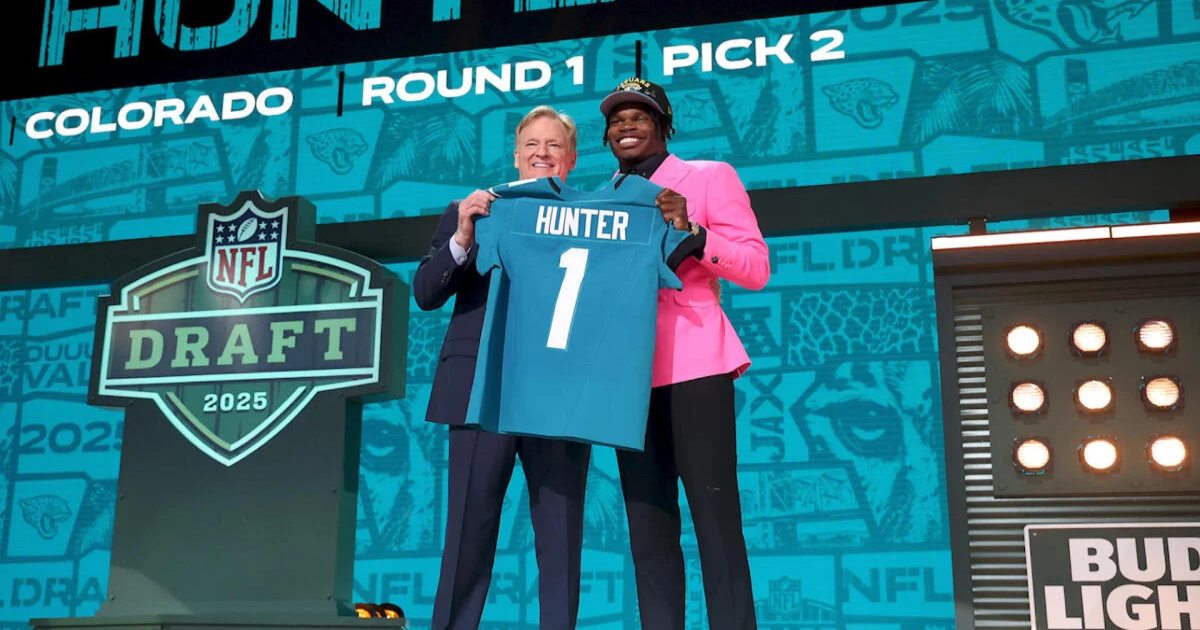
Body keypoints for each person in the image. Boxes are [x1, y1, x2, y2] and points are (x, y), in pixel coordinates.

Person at [600, 77, 770, 630]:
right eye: (617, 119)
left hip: (696, 366)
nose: (626, 125)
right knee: (647, 532)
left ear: (664, 125)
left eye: (639, 116)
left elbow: (756, 268)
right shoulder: (599, 200)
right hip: (629, 379)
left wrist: (693, 231)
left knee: (716, 522)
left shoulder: (708, 177)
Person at [412, 105, 590, 630]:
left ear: (571, 159)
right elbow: (425, 293)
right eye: (532, 144)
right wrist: (463, 236)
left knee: (561, 540)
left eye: (553, 145)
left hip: (558, 396)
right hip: (479, 392)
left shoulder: (595, 220)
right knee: (467, 536)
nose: (541, 153)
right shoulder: (470, 211)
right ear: (515, 155)